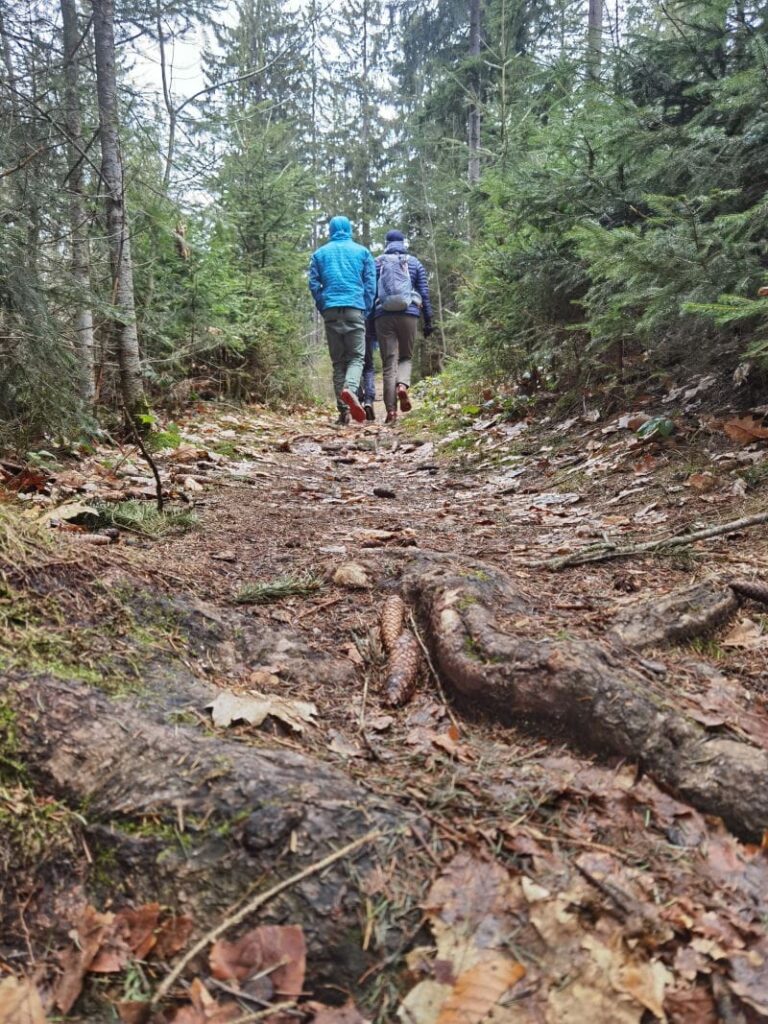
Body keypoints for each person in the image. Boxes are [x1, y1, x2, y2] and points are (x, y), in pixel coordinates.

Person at [309, 215, 376, 425]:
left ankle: (343, 413)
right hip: (355, 307)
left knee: (338, 362)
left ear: (330, 230)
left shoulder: (319, 254)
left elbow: (313, 284)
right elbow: (370, 284)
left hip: (331, 310)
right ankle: (351, 387)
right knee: (357, 358)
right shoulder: (362, 252)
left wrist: (324, 305)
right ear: (349, 229)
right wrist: (364, 307)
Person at [373, 229, 433, 424]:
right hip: (409, 314)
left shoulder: (378, 262)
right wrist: (428, 319)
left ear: (386, 243)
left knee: (389, 364)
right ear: (403, 242)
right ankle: (403, 386)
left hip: (383, 315)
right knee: (406, 357)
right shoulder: (414, 262)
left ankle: (391, 413)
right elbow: (424, 291)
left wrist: (368, 319)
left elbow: (370, 290)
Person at [357, 316, 378, 421]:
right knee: (368, 368)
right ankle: (368, 401)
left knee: (354, 365)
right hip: (366, 327)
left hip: (349, 325)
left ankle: (359, 399)